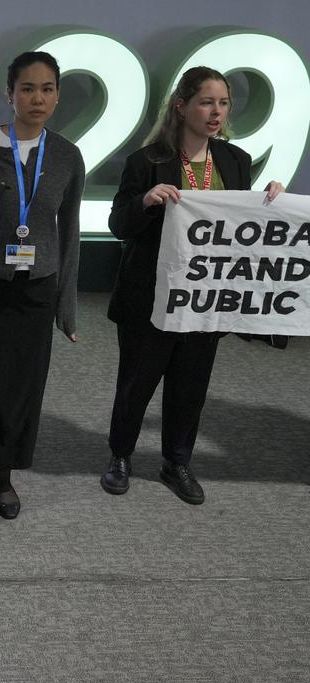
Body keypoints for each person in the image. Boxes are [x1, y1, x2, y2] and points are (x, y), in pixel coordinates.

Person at [100, 66, 282, 504]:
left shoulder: (235, 160)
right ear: (182, 106)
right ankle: (120, 455)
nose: (216, 111)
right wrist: (145, 201)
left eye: (223, 103)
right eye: (206, 101)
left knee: (191, 384)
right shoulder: (146, 162)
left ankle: (176, 461)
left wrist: (272, 199)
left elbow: (242, 224)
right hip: (152, 294)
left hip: (204, 296)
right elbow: (118, 224)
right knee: (137, 381)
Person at [0, 51, 85, 521]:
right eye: (27, 88)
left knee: (24, 385)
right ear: (9, 94)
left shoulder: (67, 156)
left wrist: (65, 307)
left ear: (57, 97)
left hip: (37, 288)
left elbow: (69, 231)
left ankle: (4, 476)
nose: (37, 98)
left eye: (47, 89)